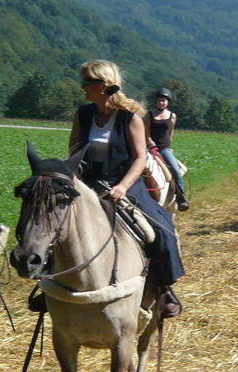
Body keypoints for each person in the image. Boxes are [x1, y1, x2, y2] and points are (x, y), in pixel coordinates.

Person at [69, 60, 184, 317]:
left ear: (105, 84)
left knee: (160, 230)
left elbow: (140, 158)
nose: (83, 87)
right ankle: (50, 285)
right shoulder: (82, 114)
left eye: (89, 82)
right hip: (88, 185)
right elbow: (74, 153)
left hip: (125, 185)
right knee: (53, 224)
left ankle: (164, 288)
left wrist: (122, 186)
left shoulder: (130, 118)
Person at [144, 88, 190, 211]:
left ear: (167, 102)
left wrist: (169, 147)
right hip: (151, 148)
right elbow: (146, 133)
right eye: (159, 100)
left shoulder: (172, 116)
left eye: (163, 100)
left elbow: (170, 133)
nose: (161, 102)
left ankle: (181, 198)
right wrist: (151, 144)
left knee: (176, 171)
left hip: (165, 149)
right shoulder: (149, 115)